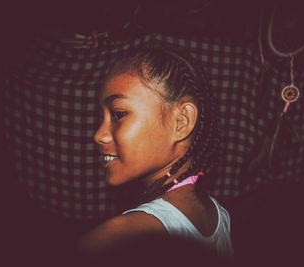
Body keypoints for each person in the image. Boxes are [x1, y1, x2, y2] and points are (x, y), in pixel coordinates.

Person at [77, 47, 234, 265]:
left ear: (181, 122)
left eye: (118, 114)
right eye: (101, 117)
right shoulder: (218, 216)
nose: (99, 135)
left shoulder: (116, 241)